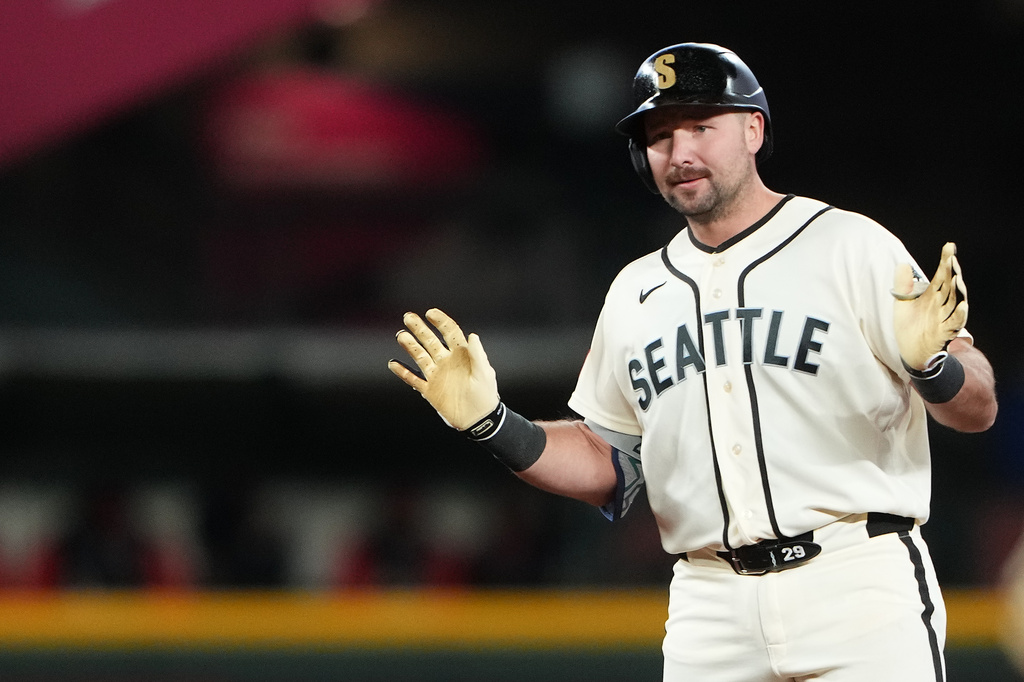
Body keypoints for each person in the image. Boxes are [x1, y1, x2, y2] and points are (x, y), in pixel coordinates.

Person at [388, 42, 998, 681]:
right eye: (659, 134)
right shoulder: (634, 292)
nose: (679, 153)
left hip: (855, 580)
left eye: (700, 126)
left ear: (754, 129)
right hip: (710, 604)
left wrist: (935, 367)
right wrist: (494, 424)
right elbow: (609, 463)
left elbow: (976, 408)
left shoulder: (851, 246)